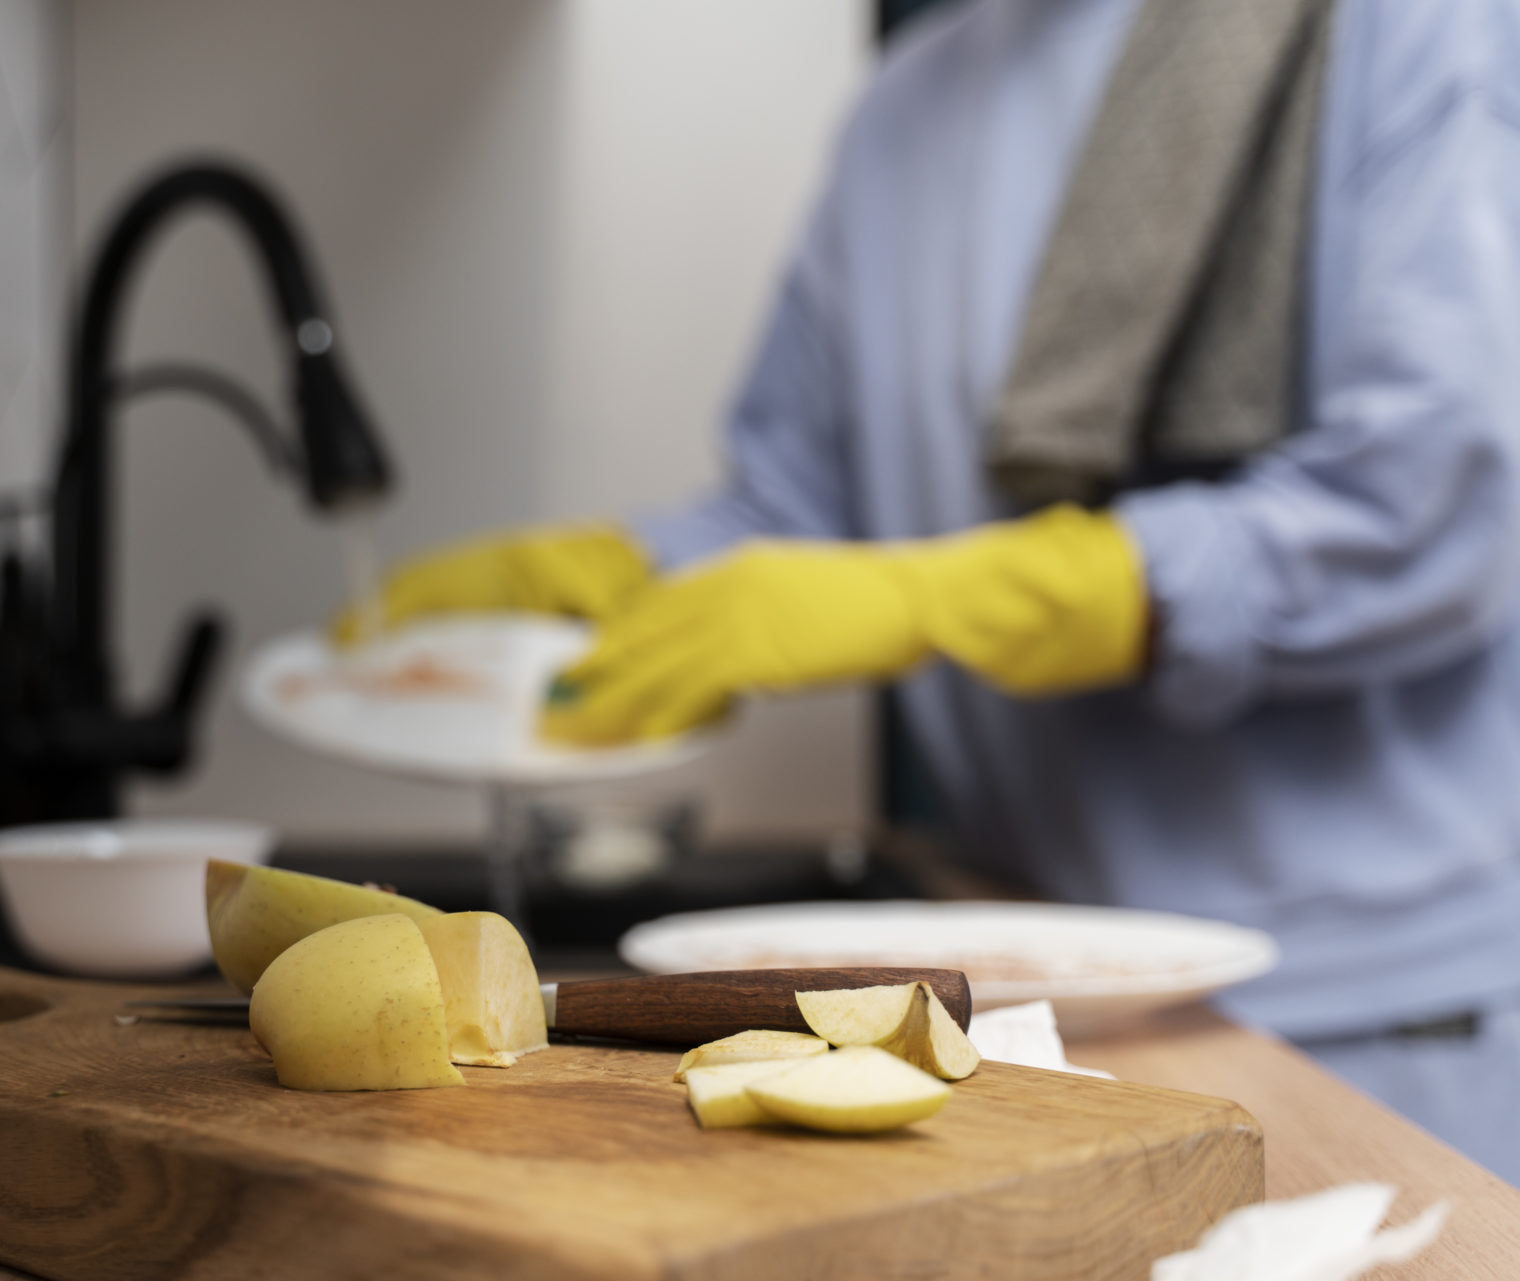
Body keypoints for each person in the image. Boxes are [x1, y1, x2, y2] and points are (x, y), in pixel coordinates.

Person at [344, 0, 1520, 1181]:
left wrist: (1021, 592)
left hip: (1368, 1009)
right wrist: (599, 583)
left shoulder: (1410, 25)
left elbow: (1447, 500)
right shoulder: (909, 103)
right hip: (1026, 979)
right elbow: (805, 525)